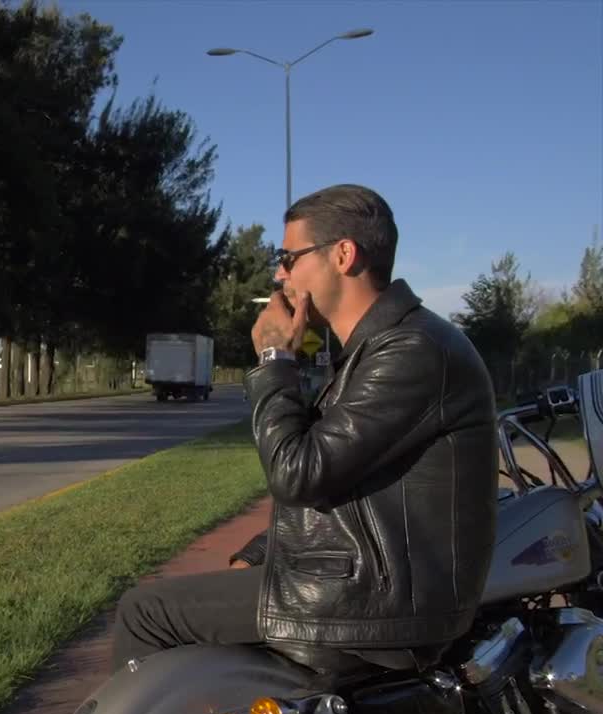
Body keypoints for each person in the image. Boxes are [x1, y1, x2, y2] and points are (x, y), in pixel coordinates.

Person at [109, 183, 498, 675]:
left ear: (343, 254)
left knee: (145, 612)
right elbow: (340, 473)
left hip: (377, 607)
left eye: (289, 257)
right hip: (361, 585)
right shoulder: (381, 346)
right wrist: (259, 553)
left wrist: (274, 359)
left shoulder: (411, 350)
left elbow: (299, 472)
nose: (278, 274)